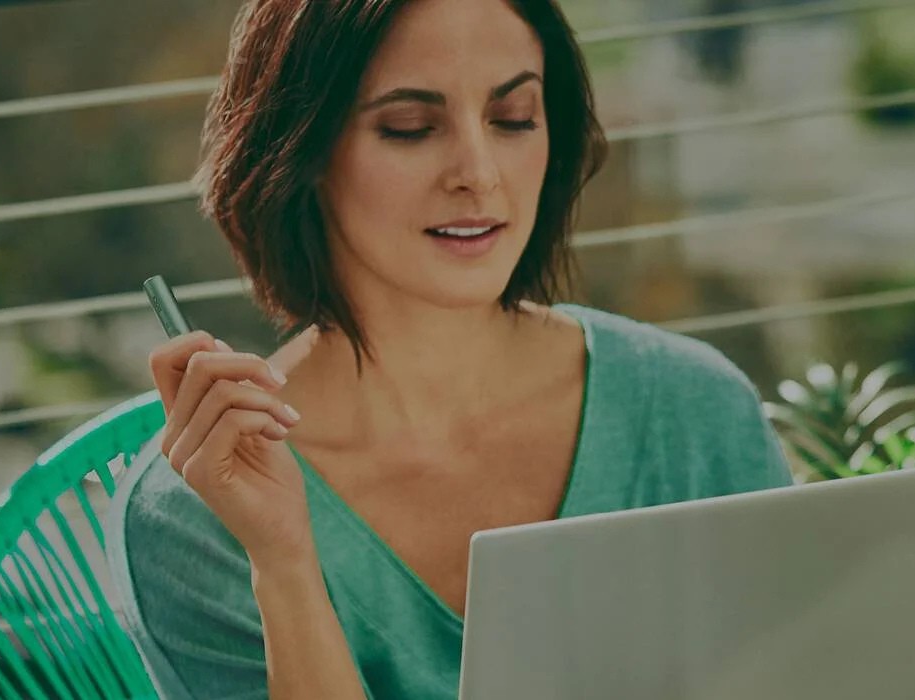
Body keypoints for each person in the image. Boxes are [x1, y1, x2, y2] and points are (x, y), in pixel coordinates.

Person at [107, 0, 794, 697]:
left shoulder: (699, 414)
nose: (480, 172)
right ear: (304, 152)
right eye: (410, 127)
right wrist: (283, 568)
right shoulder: (197, 516)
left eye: (513, 119)